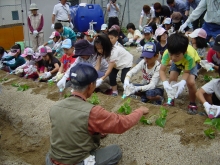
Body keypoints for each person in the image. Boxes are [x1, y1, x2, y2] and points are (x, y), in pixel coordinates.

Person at [46, 62, 149, 165]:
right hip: (75, 162)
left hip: (51, 160)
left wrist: (96, 132)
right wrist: (139, 111)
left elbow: (72, 126)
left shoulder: (55, 106)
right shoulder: (93, 112)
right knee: (115, 151)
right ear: (91, 85)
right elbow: (122, 123)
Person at [159, 33, 200, 114]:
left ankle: (192, 102)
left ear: (184, 52)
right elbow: (161, 70)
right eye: (171, 55)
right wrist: (164, 82)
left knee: (191, 82)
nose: (173, 58)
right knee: (172, 79)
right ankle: (171, 99)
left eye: (177, 55)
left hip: (191, 63)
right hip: (178, 63)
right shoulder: (167, 53)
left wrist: (183, 81)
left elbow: (186, 72)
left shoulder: (190, 56)